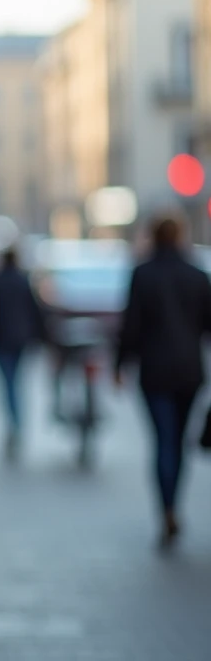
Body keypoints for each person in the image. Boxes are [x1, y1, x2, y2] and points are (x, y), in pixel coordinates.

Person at [114, 217, 211, 548]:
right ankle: (174, 505)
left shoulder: (143, 274)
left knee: (163, 441)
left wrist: (119, 364)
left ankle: (167, 508)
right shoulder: (197, 275)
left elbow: (131, 325)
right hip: (189, 372)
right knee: (178, 441)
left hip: (154, 371)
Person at [0, 247, 46, 458]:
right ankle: (17, 423)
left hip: (1, 341)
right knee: (17, 382)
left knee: (8, 384)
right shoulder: (23, 282)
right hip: (20, 341)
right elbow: (35, 312)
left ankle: (13, 423)